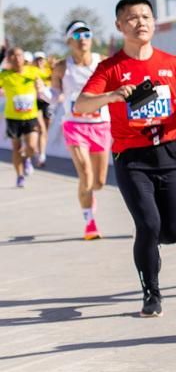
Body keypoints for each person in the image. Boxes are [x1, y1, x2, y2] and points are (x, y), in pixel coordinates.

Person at [76, 0, 176, 317]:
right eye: (133, 18)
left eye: (146, 17)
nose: (141, 23)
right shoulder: (111, 67)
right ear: (119, 25)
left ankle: (151, 247)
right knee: (148, 225)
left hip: (167, 153)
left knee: (172, 232)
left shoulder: (170, 62)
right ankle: (151, 292)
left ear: (154, 22)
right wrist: (111, 95)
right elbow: (81, 104)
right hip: (131, 158)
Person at [51, 21, 112, 239]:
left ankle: (90, 197)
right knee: (85, 173)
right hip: (74, 125)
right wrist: (46, 94)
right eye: (77, 35)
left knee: (99, 182)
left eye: (86, 34)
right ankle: (89, 222)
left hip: (101, 125)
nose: (82, 39)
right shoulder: (62, 66)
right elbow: (55, 93)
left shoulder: (102, 62)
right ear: (69, 41)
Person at [0, 47, 45, 187]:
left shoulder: (33, 71)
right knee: (16, 148)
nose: (16, 58)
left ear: (23, 57)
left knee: (32, 146)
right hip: (13, 118)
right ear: (8, 59)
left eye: (19, 55)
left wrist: (41, 86)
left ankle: (26, 159)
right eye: (12, 55)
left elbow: (47, 81)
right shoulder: (4, 75)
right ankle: (20, 176)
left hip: (30, 116)